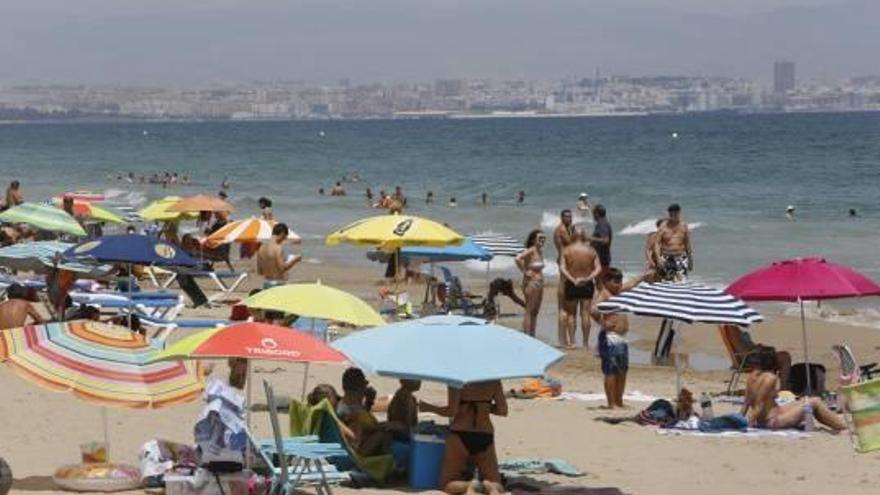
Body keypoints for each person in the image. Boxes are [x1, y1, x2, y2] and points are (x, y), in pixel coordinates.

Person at [419, 381, 507, 495]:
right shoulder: (494, 380)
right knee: (496, 481)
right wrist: (484, 406)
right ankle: (490, 486)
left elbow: (452, 411)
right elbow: (503, 410)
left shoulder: (456, 379)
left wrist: (428, 407)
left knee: (446, 483)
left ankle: (469, 485)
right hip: (485, 434)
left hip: (460, 433)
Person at [740, 353, 845, 431]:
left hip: (772, 415)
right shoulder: (770, 378)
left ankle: (837, 423)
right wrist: (749, 426)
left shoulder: (752, 378)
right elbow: (760, 404)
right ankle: (841, 426)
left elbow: (746, 404)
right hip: (774, 420)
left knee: (805, 400)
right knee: (815, 401)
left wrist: (740, 420)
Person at [590, 268, 646, 409]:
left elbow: (632, 283)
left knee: (622, 370)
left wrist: (645, 274)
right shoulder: (604, 295)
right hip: (610, 338)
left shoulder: (618, 292)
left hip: (621, 338)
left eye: (620, 281)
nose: (619, 284)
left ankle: (619, 401)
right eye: (615, 282)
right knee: (611, 371)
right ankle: (611, 403)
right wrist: (603, 323)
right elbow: (593, 310)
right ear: (605, 281)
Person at [559, 229, 602, 349]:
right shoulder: (591, 250)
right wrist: (588, 279)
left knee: (571, 314)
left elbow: (562, 268)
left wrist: (572, 279)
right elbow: (598, 269)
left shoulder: (567, 250)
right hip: (586, 284)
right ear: (583, 236)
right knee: (585, 314)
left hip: (572, 283)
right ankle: (585, 343)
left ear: (573, 236)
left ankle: (572, 342)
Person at [336, 367, 389, 456]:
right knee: (386, 434)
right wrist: (387, 426)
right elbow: (370, 427)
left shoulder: (343, 405)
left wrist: (368, 403)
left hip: (354, 447)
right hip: (358, 454)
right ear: (361, 389)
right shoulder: (353, 413)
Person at [515, 230, 546, 337]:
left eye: (543, 238)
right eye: (540, 238)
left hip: (539, 283)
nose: (542, 240)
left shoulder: (540, 251)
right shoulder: (531, 250)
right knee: (529, 310)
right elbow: (518, 258)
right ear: (533, 240)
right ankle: (527, 335)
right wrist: (525, 272)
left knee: (535, 312)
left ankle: (533, 334)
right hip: (531, 283)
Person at [653, 203, 693, 281]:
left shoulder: (684, 225)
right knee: (666, 281)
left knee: (682, 281)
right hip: (666, 257)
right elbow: (657, 243)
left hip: (681, 257)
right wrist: (658, 258)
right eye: (671, 214)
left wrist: (691, 260)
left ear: (679, 213)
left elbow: (687, 243)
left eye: (675, 214)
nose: (673, 216)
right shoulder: (663, 226)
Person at [553, 209, 574, 346]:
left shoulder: (567, 228)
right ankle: (563, 339)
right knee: (563, 304)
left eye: (571, 216)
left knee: (567, 303)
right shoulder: (561, 229)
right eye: (567, 217)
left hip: (566, 263)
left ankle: (565, 338)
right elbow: (571, 242)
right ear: (562, 218)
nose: (570, 219)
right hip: (564, 264)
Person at [589, 204, 613, 278]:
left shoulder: (602, 224)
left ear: (597, 214)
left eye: (593, 213)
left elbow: (605, 240)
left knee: (601, 281)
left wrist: (589, 238)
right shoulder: (603, 223)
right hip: (601, 257)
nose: (593, 216)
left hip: (602, 258)